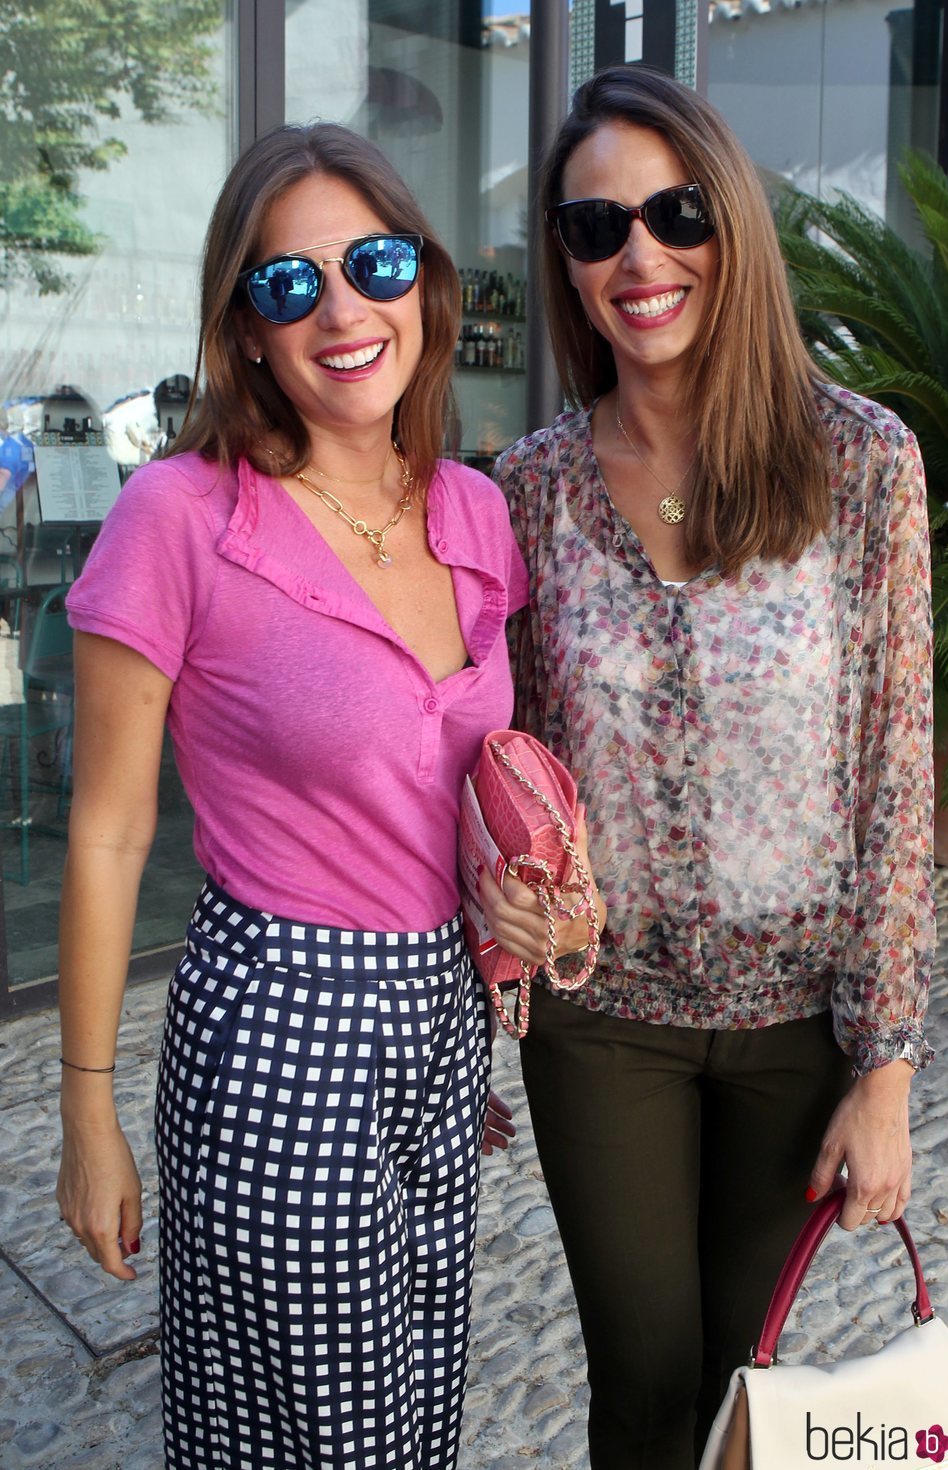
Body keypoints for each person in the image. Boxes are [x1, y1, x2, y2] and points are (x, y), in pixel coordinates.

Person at [481, 65, 934, 1470]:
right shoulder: (533, 486)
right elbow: (511, 758)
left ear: (730, 222)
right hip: (604, 1016)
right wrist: (505, 896)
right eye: (595, 227)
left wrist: (889, 1069)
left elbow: (897, 777)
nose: (641, 256)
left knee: (745, 1381)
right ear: (564, 259)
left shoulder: (861, 463)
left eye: (676, 212)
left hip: (797, 1021)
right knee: (643, 1372)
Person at [56, 122, 525, 1470]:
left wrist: (516, 934)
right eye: (286, 284)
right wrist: (86, 1114)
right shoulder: (181, 516)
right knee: (310, 1438)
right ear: (246, 329)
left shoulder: (472, 513)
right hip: (280, 1029)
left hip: (441, 1028)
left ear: (424, 287)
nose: (340, 310)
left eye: (372, 263)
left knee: (416, 1414)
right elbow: (109, 828)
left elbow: (468, 781)